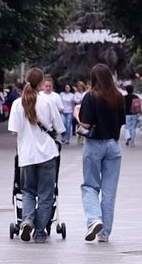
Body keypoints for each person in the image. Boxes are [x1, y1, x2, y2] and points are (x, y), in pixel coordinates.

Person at [8, 67, 65, 243]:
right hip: (47, 154)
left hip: (26, 156)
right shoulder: (48, 102)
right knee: (46, 194)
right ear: (41, 82)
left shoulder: (17, 104)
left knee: (27, 192)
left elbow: (14, 132)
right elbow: (59, 128)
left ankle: (27, 220)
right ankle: (40, 232)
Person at [75, 63, 126, 243]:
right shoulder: (118, 97)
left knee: (90, 185)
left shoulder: (90, 96)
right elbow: (121, 122)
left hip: (94, 144)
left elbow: (86, 124)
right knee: (109, 191)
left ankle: (94, 219)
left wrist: (76, 114)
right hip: (113, 145)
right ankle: (104, 233)